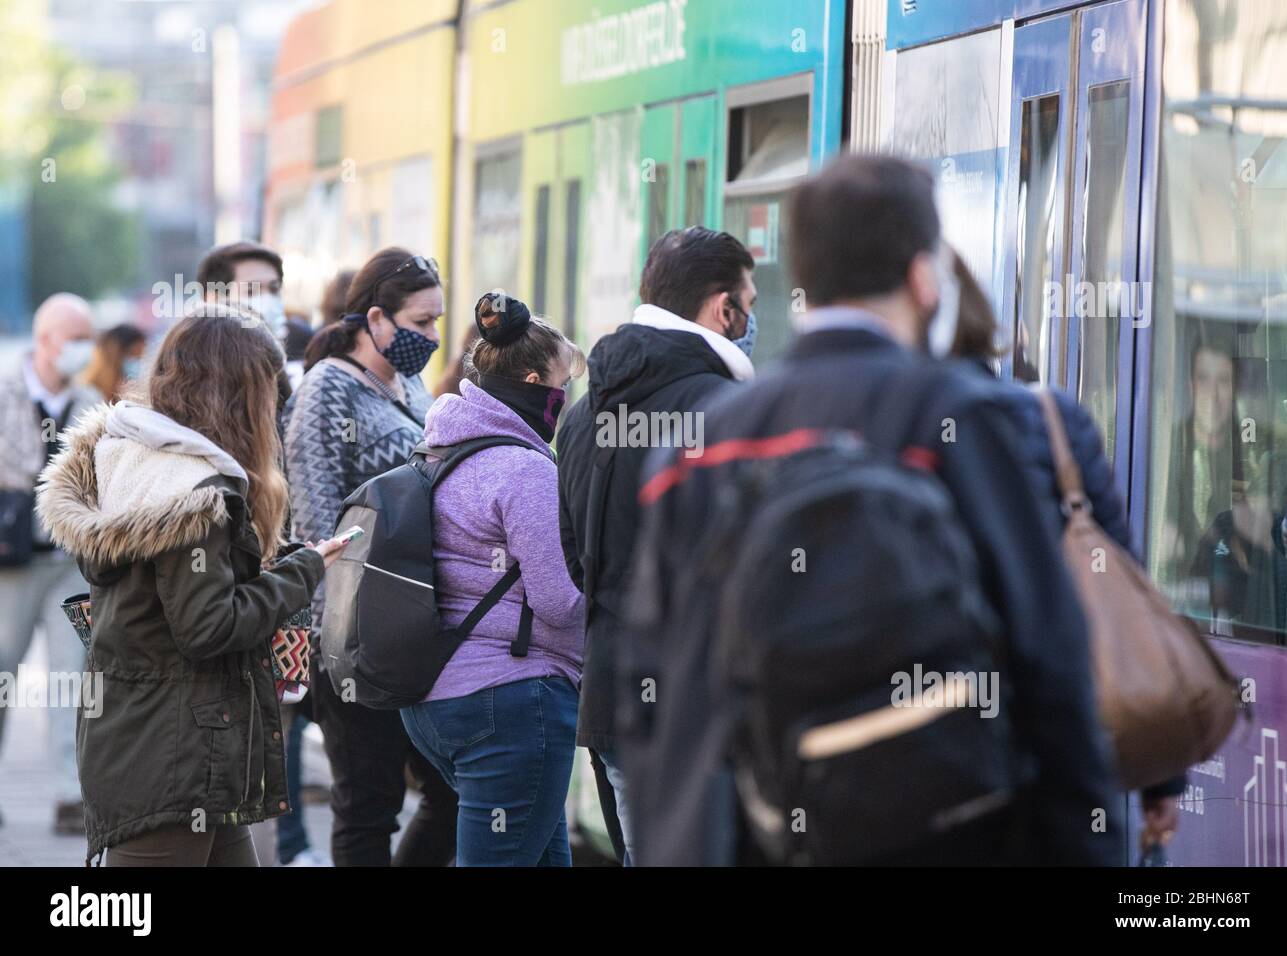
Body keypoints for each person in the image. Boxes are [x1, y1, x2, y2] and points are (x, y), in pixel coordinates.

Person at [620, 154, 1121, 865]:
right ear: (923, 280)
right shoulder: (962, 421)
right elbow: (1050, 653)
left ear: (802, 281)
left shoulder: (694, 450)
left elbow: (655, 695)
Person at [34, 304, 349, 865]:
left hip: (167, 742)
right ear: (236, 395)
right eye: (267, 391)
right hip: (174, 755)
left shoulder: (135, 457)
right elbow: (208, 627)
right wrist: (304, 571)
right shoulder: (195, 491)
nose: (275, 407)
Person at [946, 251, 1182, 863]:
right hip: (1051, 780)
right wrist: (1160, 777)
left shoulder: (860, 431)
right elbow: (1128, 605)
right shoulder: (1049, 422)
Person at [555, 226, 756, 865]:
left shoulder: (583, 414)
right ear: (723, 308)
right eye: (749, 302)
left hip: (612, 697)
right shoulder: (726, 411)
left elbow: (573, 557)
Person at [282, 247, 458, 866]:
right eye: (421, 323)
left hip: (410, 623)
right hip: (351, 634)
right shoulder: (327, 388)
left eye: (437, 321)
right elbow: (312, 514)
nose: (432, 337)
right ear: (376, 318)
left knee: (450, 792)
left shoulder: (404, 380)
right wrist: (333, 637)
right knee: (368, 804)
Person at [400, 292, 586, 866]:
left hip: (435, 699)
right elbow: (558, 601)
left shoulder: (443, 450)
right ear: (534, 381)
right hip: (510, 702)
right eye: (562, 383)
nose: (565, 397)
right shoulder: (523, 468)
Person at [0, 293, 100, 835]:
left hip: (68, 563)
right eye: (74, 338)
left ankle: (70, 795)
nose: (82, 349)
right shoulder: (4, 391)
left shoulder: (89, 401)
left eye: (88, 338)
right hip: (10, 562)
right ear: (44, 339)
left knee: (72, 679)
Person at [197, 240, 288, 344]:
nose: (267, 299)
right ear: (214, 299)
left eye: (274, 289)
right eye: (251, 291)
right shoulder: (190, 355)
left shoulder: (302, 347)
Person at [82, 323, 146, 402]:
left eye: (139, 357)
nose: (136, 363)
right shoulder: (87, 395)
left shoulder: (129, 397)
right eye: (132, 355)